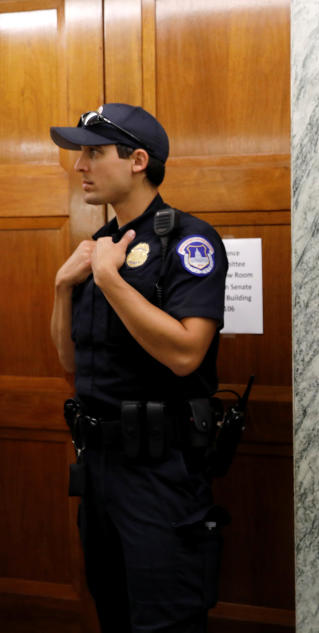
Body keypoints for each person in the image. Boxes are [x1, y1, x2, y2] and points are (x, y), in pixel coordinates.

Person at [49, 103, 228, 632]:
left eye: (93, 152)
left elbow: (185, 352)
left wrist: (110, 282)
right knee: (114, 613)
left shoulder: (190, 242)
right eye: (79, 153)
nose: (80, 165)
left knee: (164, 621)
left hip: (160, 470)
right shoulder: (98, 248)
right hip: (99, 466)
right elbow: (67, 361)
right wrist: (63, 287)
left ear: (137, 160)